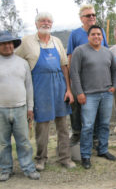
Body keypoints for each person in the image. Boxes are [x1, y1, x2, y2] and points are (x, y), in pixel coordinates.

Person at [15, 12, 76, 171]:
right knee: (42, 127)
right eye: (43, 20)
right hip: (39, 87)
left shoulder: (57, 41)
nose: (46, 23)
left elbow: (64, 66)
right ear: (36, 23)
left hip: (59, 87)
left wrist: (68, 89)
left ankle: (65, 157)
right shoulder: (26, 41)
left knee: (63, 126)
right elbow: (15, 60)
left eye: (49, 21)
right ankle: (41, 159)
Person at [70, 25, 116, 169]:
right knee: (88, 126)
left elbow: (115, 71)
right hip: (88, 96)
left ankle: (102, 150)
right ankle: (85, 155)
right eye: (93, 34)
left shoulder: (107, 52)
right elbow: (74, 73)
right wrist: (79, 92)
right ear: (88, 36)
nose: (96, 36)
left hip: (106, 94)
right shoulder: (80, 51)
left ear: (102, 37)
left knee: (104, 124)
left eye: (99, 34)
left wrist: (114, 86)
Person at [0, 31, 40, 181]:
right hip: (1, 109)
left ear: (14, 45)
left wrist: (30, 108)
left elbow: (29, 87)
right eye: (3, 43)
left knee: (23, 141)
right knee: (3, 143)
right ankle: (5, 169)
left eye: (10, 43)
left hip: (20, 108)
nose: (7, 46)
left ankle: (28, 168)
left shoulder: (22, 63)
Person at [67, 4, 108, 145]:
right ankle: (77, 133)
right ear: (81, 18)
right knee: (76, 107)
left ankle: (95, 137)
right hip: (79, 79)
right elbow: (70, 57)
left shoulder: (100, 31)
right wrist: (72, 79)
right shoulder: (75, 34)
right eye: (88, 15)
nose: (91, 17)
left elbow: (105, 53)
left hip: (96, 80)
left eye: (93, 15)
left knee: (96, 106)